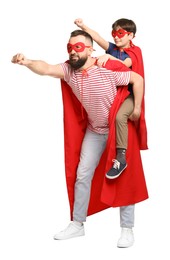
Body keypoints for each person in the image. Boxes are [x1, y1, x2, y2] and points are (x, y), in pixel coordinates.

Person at [11, 29, 148, 248]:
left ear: (90, 49)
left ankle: (127, 229)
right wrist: (27, 61)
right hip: (95, 131)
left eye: (78, 47)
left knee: (124, 177)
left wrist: (137, 107)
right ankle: (77, 224)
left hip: (117, 130)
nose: (72, 52)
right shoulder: (68, 70)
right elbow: (46, 68)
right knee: (82, 173)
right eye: (69, 47)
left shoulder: (107, 68)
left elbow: (137, 79)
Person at [74, 18, 148, 179]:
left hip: (130, 95)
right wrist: (82, 26)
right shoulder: (113, 48)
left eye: (120, 33)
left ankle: (121, 158)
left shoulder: (135, 51)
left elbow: (126, 64)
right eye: (114, 33)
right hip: (115, 94)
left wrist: (136, 108)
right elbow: (98, 38)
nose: (116, 37)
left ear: (131, 35)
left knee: (120, 116)